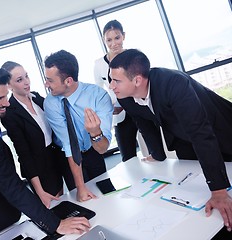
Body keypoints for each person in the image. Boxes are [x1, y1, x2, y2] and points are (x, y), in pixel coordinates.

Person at [109, 49, 232, 232]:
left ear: (137, 80)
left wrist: (219, 191)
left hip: (222, 130)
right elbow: (145, 126)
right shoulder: (127, 98)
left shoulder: (173, 83)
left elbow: (201, 133)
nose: (111, 86)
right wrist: (157, 155)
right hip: (184, 139)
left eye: (116, 80)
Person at [0, 63, 91, 237]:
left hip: (10, 205)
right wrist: (54, 224)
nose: (6, 103)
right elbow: (10, 183)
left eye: (5, 96)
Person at [43, 50, 114, 202]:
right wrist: (81, 188)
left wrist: (95, 133)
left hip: (93, 150)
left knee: (105, 194)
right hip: (67, 156)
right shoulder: (51, 102)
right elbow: (69, 144)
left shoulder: (98, 96)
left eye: (50, 80)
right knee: (82, 199)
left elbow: (102, 148)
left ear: (68, 81)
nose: (46, 84)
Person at [0, 61, 73, 208]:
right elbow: (24, 154)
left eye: (26, 76)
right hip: (40, 167)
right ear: (8, 86)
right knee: (55, 207)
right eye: (19, 80)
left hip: (58, 155)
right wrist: (39, 191)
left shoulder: (37, 98)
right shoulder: (10, 113)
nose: (27, 82)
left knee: (73, 196)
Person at [94, 19, 156, 162]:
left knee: (154, 150)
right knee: (127, 156)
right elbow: (99, 92)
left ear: (124, 36)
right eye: (109, 40)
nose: (114, 43)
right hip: (119, 114)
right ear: (104, 40)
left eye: (117, 38)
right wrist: (110, 107)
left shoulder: (135, 56)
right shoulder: (98, 64)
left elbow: (145, 81)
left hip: (140, 106)